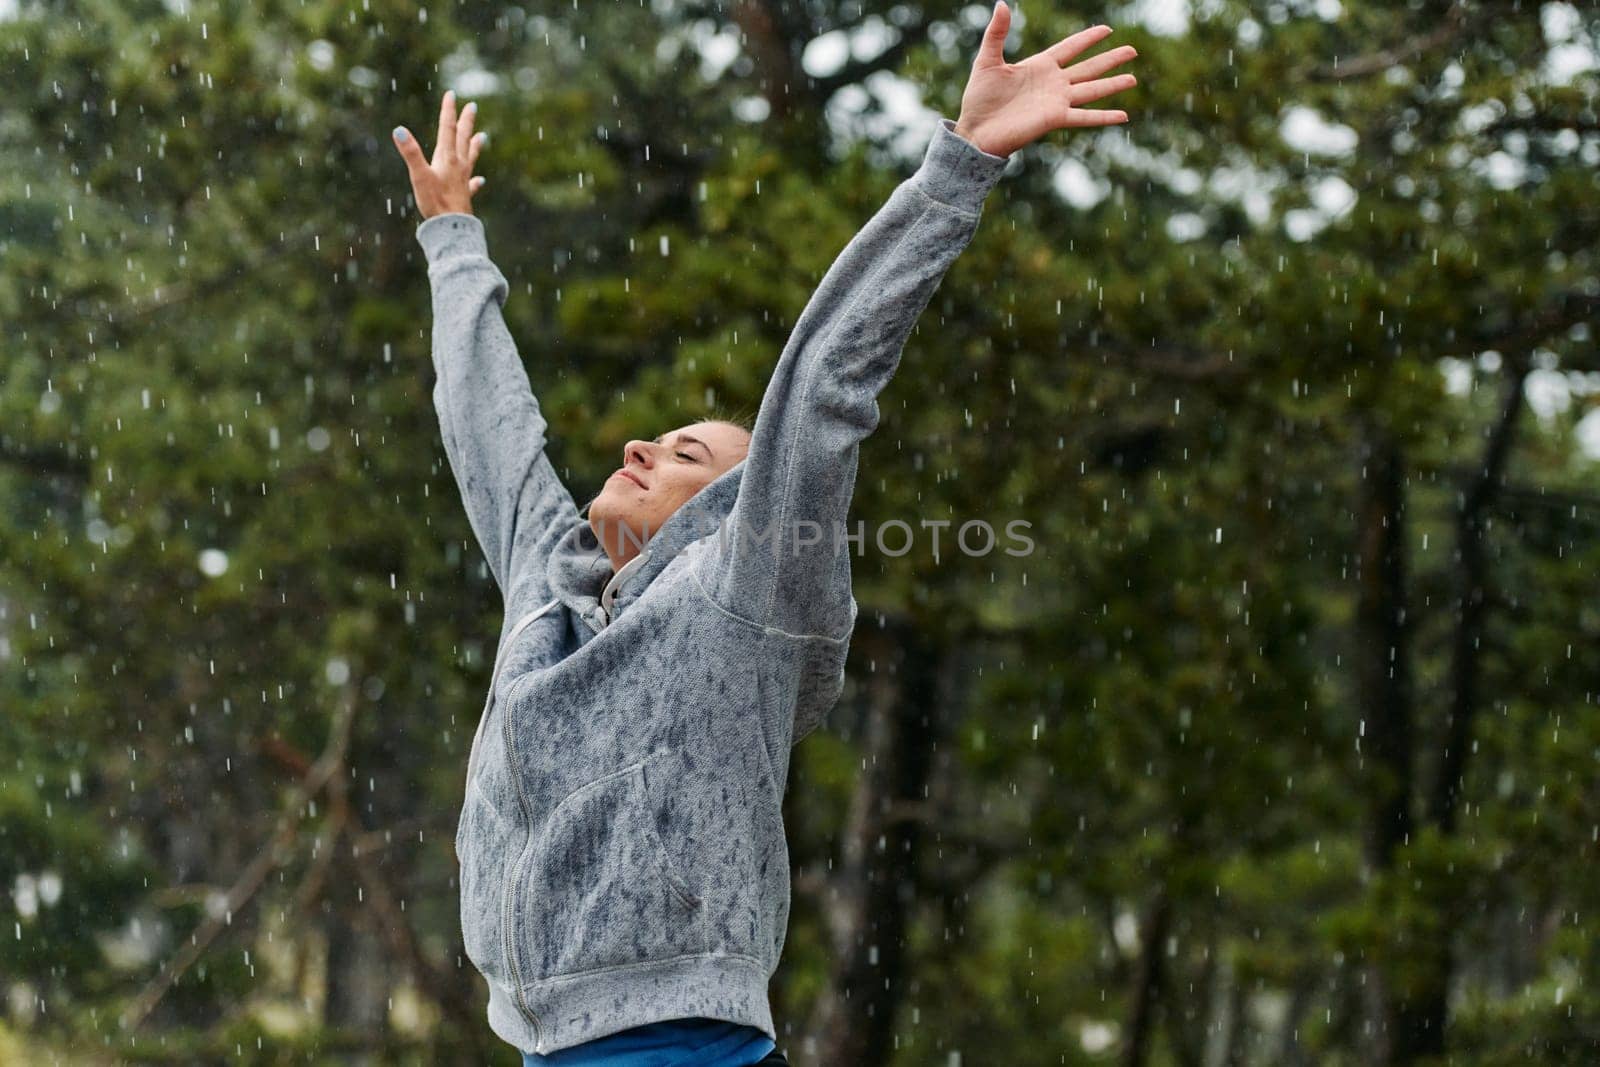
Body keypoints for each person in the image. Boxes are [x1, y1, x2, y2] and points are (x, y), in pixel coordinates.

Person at [389, 3, 1137, 1062]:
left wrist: (955, 168)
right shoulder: (548, 589)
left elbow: (823, 380)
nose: (644, 445)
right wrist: (453, 243)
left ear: (729, 514)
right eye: (658, 436)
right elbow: (488, 428)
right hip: (543, 1045)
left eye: (688, 456)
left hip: (682, 1044)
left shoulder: (743, 591)